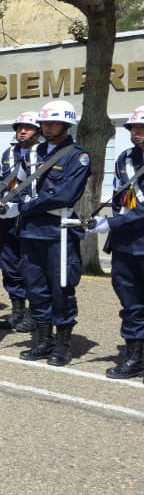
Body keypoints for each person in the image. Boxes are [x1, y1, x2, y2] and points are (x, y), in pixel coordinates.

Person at [5, 100, 90, 366]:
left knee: (61, 288)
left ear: (66, 125)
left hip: (57, 231)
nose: (47, 127)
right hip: (31, 232)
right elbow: (16, 183)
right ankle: (42, 340)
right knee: (36, 287)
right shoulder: (31, 153)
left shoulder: (77, 155)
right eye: (44, 123)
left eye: (53, 123)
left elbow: (64, 195)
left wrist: (25, 206)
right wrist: (6, 202)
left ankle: (63, 345)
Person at [92, 105, 144, 378]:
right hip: (126, 245)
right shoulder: (125, 158)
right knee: (132, 304)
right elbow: (119, 201)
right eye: (134, 128)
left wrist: (110, 224)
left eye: (141, 128)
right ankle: (135, 357)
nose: (136, 133)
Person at [0, 112, 41, 334]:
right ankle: (17, 310)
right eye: (20, 127)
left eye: (28, 128)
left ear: (38, 131)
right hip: (7, 219)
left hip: (29, 218)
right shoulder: (8, 153)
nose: (22, 131)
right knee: (9, 264)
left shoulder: (42, 153)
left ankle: (34, 314)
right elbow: (4, 183)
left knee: (30, 267)